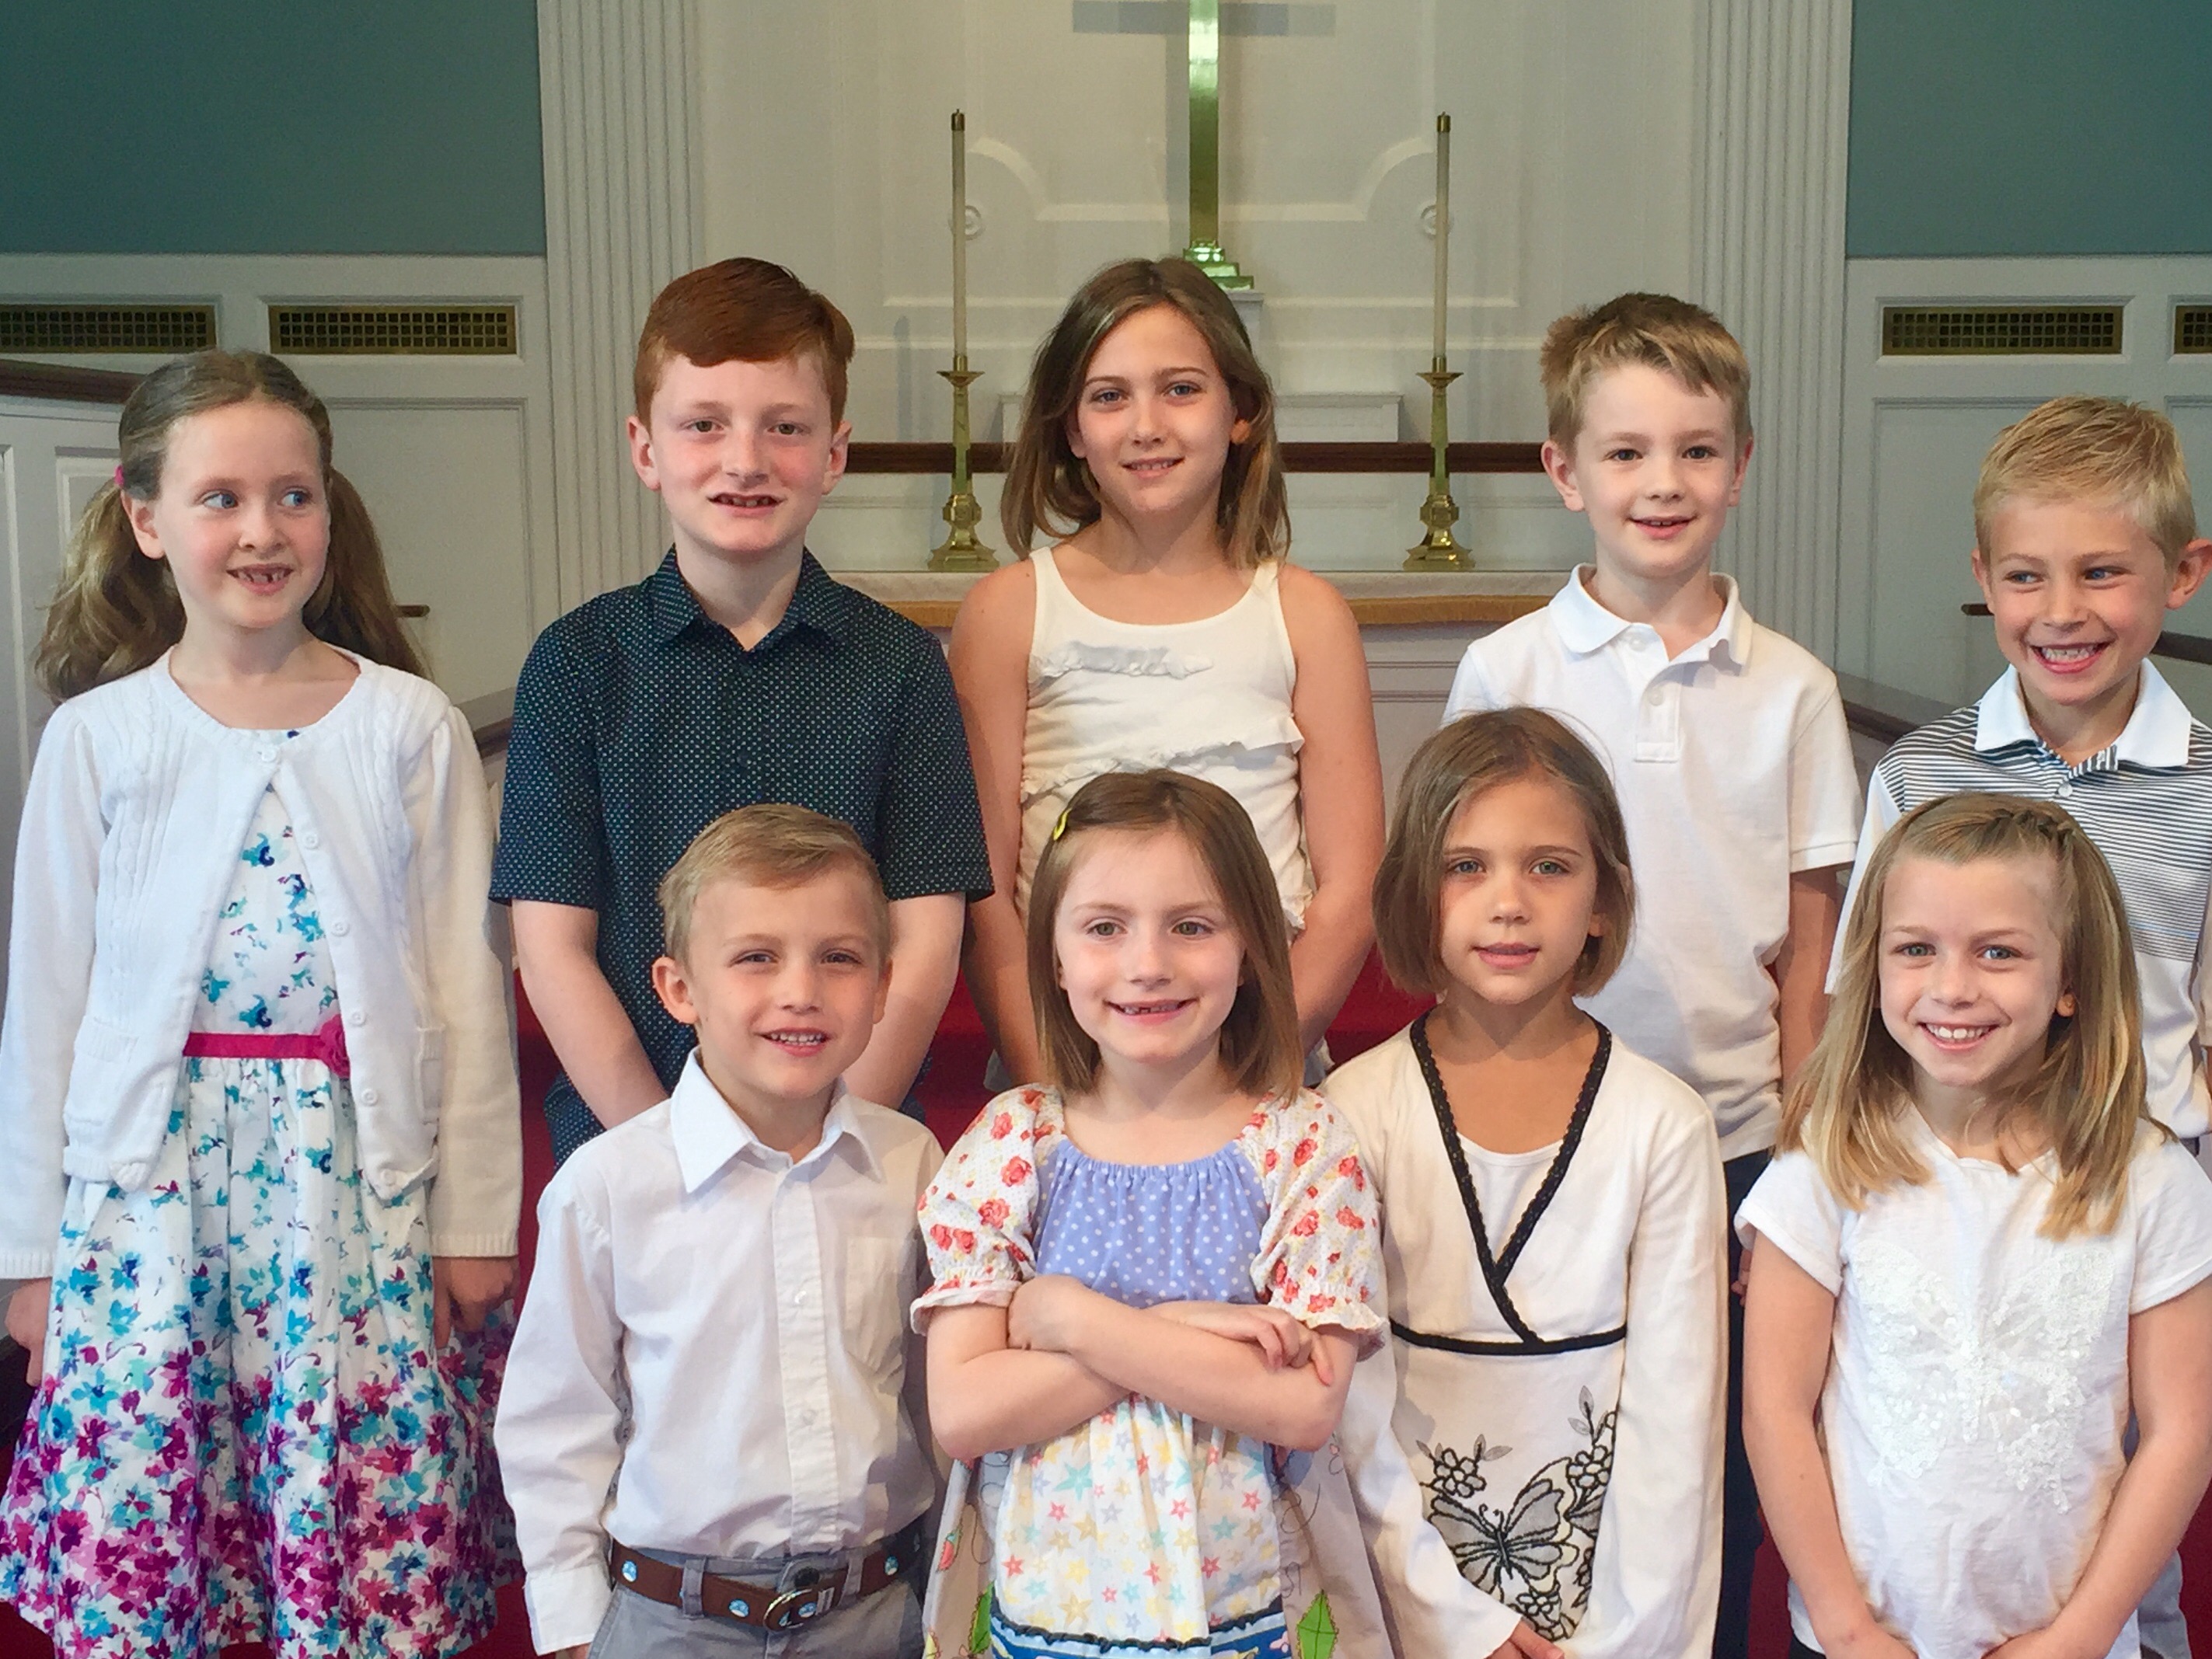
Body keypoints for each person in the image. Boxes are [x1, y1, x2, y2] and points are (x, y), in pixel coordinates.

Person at [0, 349, 521, 1657]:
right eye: (220, 497)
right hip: (150, 1198)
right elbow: (44, 1008)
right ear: (145, 519)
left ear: (329, 512)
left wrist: (472, 1223)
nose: (261, 530)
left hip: (349, 1192)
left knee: (350, 1536)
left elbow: (466, 989)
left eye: (293, 495)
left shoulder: (407, 726)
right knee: (156, 1521)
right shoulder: (99, 739)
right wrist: (30, 1258)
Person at [1442, 292, 1861, 1657]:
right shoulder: (1506, 668)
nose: (1661, 481)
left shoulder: (1792, 688)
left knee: (1714, 1459)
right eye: (1624, 451)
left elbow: (1813, 933)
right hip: (1549, 1128)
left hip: (1732, 1134)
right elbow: (1465, 904)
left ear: (1741, 465)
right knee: (1546, 1437)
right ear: (1564, 472)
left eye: (1695, 449)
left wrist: (1799, 1148)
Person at [1834, 397, 2212, 1656]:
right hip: (1940, 1190)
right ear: (1982, 578)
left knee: (2119, 1496)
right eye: (2025, 575)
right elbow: (1863, 1007)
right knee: (1951, 1477)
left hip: (2130, 1196)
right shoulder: (1918, 775)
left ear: (2182, 573)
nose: (2061, 610)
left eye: (2101, 572)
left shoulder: (2207, 793)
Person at [494, 256, 991, 1163]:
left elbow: (924, 937)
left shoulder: (900, 666)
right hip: (630, 1142)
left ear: (833, 453)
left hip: (850, 1150)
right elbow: (553, 942)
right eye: (704, 424)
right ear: (645, 448)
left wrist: (822, 1146)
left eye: (784, 427)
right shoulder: (577, 662)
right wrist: (668, 1153)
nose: (745, 460)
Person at [916, 769, 1386, 1659]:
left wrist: (1071, 1317)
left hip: (1247, 1610)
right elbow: (966, 1409)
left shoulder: (1300, 1142)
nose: (1147, 963)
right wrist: (1180, 1327)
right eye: (1104, 926)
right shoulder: (1013, 1142)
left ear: (1249, 945)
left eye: (1191, 925)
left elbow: (1300, 1404)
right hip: (1044, 1608)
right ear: (1054, 957)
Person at [1742, 794, 2212, 1659]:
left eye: (1998, 951)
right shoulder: (1825, 1164)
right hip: (1859, 1637)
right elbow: (1774, 1406)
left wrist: (2078, 1635)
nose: (1952, 987)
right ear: (1873, 964)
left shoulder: (2153, 1184)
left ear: (2070, 979)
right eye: (1915, 948)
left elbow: (2182, 1431)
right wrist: (1846, 1626)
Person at [497, 804, 941, 1658]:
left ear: (883, 985)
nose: (800, 990)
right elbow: (557, 1417)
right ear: (679, 989)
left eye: (839, 957)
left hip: (878, 1609)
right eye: (756, 957)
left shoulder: (913, 1164)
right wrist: (572, 1625)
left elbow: (934, 1396)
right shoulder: (607, 1185)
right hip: (670, 1619)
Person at [1331, 709, 1726, 1659]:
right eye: (1465, 865)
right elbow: (1349, 1414)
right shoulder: (1351, 1111)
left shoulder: (1663, 1124)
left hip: (1602, 1617)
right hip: (1400, 1602)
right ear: (1412, 893)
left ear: (1602, 899)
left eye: (1548, 865)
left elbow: (1676, 1427)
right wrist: (1450, 1620)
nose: (1507, 901)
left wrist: (1615, 1640)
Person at [950, 257, 1383, 1086]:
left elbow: (1351, 886)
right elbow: (986, 894)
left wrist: (1250, 1071)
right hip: (1065, 1063)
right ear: (1072, 428)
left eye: (1180, 389)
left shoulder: (1306, 615)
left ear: (1240, 411)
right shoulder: (1008, 612)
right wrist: (1060, 1086)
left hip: (1260, 1061)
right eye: (1109, 396)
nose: (1146, 425)